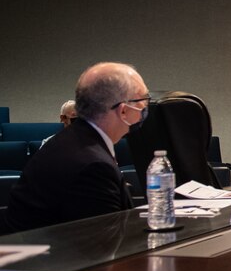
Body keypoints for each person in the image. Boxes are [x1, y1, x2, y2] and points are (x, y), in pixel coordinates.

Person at [3, 62, 146, 233]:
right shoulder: (93, 165)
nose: (145, 108)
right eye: (142, 101)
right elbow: (104, 246)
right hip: (56, 257)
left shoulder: (72, 141)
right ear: (123, 111)